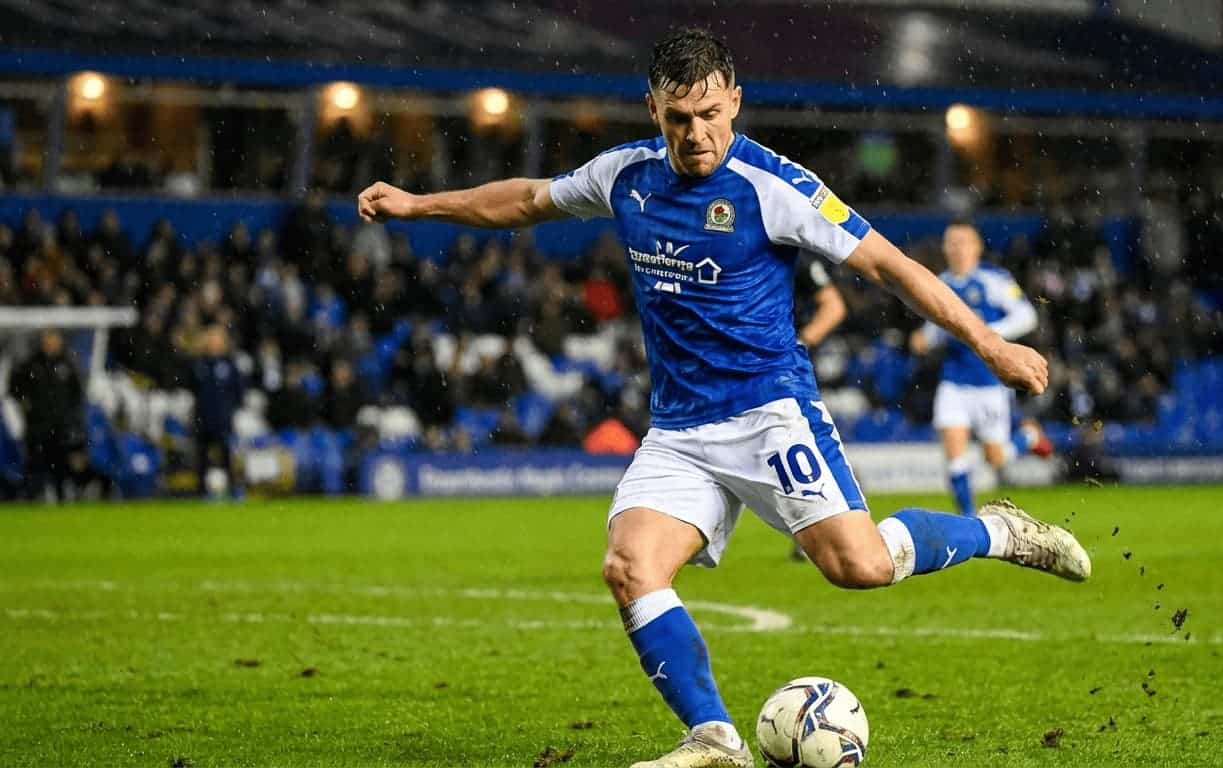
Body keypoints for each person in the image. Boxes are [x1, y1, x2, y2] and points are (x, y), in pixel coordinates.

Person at [359, 28, 1088, 768]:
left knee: (859, 566)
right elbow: (525, 201)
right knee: (630, 567)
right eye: (679, 118)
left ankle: (996, 531)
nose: (697, 133)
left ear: (734, 102)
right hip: (678, 430)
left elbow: (890, 266)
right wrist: (420, 205)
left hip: (771, 414)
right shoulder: (626, 176)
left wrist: (991, 346)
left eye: (711, 113)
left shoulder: (777, 187)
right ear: (652, 109)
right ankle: (715, 738)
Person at [909, 221, 1051, 517]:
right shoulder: (939, 284)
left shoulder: (994, 280)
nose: (958, 249)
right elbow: (938, 329)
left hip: (989, 383)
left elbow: (1027, 317)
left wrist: (989, 334)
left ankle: (1029, 438)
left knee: (995, 459)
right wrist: (924, 338)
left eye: (964, 242)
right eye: (952, 243)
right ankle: (970, 519)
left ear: (977, 247)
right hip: (953, 382)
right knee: (954, 455)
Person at [787, 253, 847, 560]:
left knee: (805, 442)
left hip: (784, 369)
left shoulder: (799, 258)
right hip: (755, 366)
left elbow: (834, 306)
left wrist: (801, 342)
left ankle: (833, 522)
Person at [9, 329, 85, 502]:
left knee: (61, 464)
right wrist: (25, 404)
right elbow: (14, 388)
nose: (50, 344)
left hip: (60, 425)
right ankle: (32, 497)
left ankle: (62, 498)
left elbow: (77, 395)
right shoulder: (31, 364)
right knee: (36, 464)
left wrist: (71, 418)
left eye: (53, 340)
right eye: (47, 340)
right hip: (37, 424)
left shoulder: (67, 365)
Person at [190, 326, 244, 498]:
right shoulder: (199, 364)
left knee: (227, 455)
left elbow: (238, 391)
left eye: (218, 339)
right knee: (202, 457)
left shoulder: (229, 364)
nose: (214, 343)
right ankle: (201, 491)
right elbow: (190, 386)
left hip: (223, 419)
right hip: (203, 417)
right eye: (212, 339)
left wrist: (229, 410)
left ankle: (233, 489)